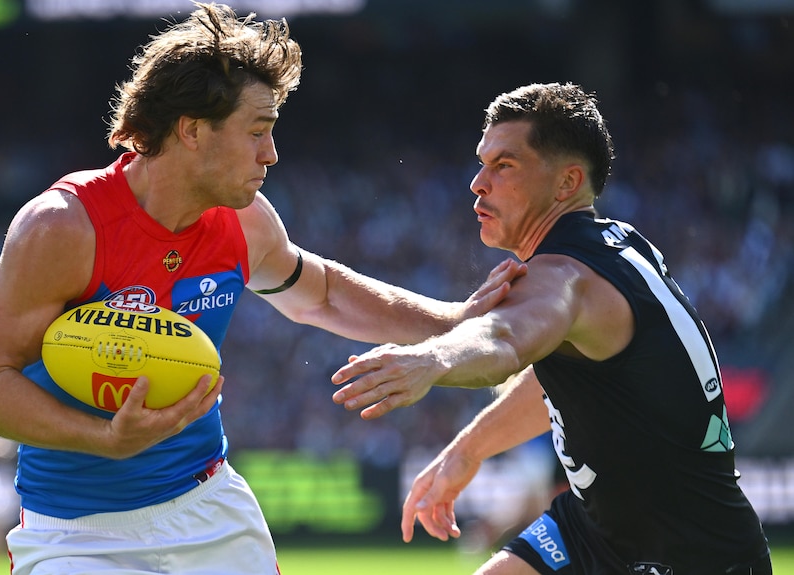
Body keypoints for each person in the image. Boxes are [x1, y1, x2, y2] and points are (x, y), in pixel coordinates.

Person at [0, 4, 526, 574]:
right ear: (192, 130)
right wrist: (103, 438)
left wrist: (453, 321)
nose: (270, 154)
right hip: (77, 535)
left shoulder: (242, 220)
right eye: (257, 132)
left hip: (209, 510)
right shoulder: (64, 227)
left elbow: (322, 293)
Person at [331, 82, 772, 575]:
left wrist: (431, 360)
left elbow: (505, 339)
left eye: (505, 166)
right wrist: (467, 451)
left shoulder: (565, 274)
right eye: (482, 162)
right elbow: (553, 376)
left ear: (566, 184)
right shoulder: (619, 244)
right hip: (596, 529)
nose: (478, 182)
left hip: (693, 554)